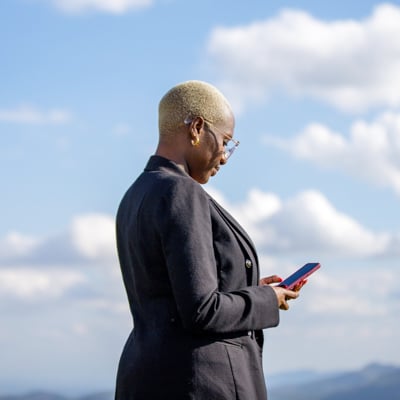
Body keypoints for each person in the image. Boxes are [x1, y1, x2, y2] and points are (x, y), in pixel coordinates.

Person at [114, 80, 302, 400]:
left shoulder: (135, 195)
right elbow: (202, 310)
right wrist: (268, 300)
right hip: (200, 383)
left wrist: (254, 288)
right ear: (197, 128)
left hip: (146, 378)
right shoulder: (182, 192)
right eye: (226, 141)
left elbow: (175, 293)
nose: (225, 157)